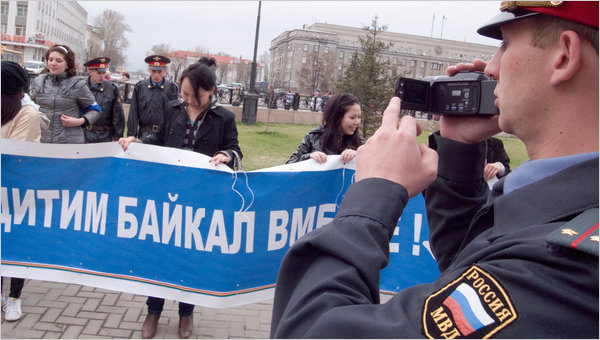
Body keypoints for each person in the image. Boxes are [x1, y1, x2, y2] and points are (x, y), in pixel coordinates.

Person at [270, 2, 598, 338]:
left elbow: (309, 330)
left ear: (563, 55)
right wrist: (458, 147)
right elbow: (474, 258)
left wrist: (374, 191)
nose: (493, 68)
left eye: (506, 43)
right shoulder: (569, 209)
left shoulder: (564, 270)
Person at [119, 62, 242, 338]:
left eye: (192, 95)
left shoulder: (224, 118)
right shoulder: (173, 108)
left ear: (209, 91)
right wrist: (139, 142)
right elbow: (159, 138)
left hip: (200, 198)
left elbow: (235, 151)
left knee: (190, 255)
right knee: (160, 252)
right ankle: (153, 310)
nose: (186, 99)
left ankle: (186, 314)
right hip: (168, 194)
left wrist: (226, 156)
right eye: (184, 93)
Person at [1, 61, 42, 322]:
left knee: (16, 243)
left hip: (18, 189)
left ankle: (14, 297)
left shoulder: (27, 114)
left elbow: (12, 153)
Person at [29, 44, 101, 144]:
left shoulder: (77, 85)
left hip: (68, 143)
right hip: (41, 140)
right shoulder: (38, 82)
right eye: (50, 59)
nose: (53, 63)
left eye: (58, 61)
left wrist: (80, 121)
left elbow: (96, 110)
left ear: (68, 64)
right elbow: (28, 107)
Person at [286, 93, 364, 164]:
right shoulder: (314, 137)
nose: (357, 122)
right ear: (337, 117)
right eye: (352, 117)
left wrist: (358, 156)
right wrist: (309, 157)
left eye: (359, 117)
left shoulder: (361, 144)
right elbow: (289, 166)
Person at [127, 55, 179, 139]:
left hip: (164, 134)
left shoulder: (172, 88)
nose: (156, 75)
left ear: (165, 70)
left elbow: (176, 114)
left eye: (159, 71)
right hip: (145, 133)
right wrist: (131, 135)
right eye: (153, 71)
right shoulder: (140, 87)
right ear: (149, 70)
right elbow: (133, 112)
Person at [83, 57, 125, 142]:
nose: (102, 76)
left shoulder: (112, 89)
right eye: (98, 73)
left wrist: (117, 136)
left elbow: (117, 114)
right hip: (83, 134)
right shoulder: (81, 87)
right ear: (90, 71)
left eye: (103, 73)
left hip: (104, 136)